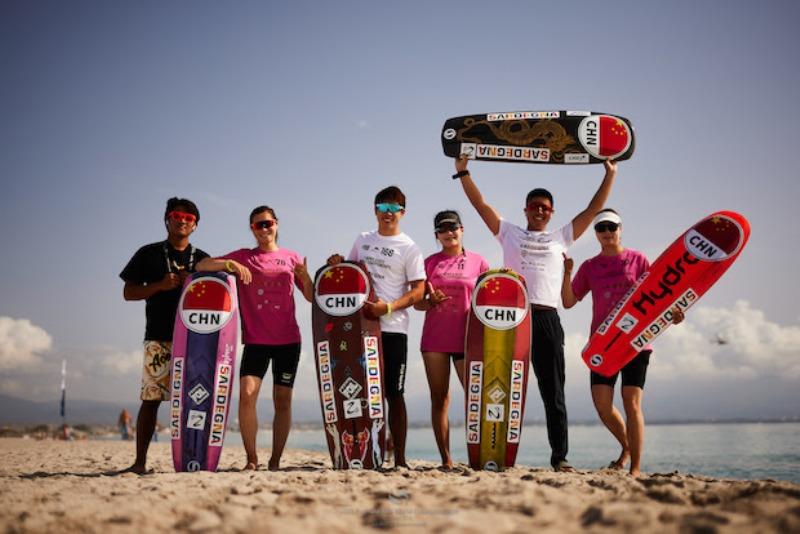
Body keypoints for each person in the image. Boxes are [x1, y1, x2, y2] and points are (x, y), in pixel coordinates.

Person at [455, 155, 617, 472]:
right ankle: (493, 452)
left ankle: (560, 457)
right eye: (534, 206)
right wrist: (463, 172)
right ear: (526, 209)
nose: (540, 211)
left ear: (551, 212)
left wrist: (609, 174)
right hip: (510, 320)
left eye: (545, 207)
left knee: (553, 392)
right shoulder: (509, 233)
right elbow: (481, 205)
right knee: (497, 387)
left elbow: (592, 210)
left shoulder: (562, 237)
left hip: (546, 319)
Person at [561, 209, 683, 477]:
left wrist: (673, 313)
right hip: (603, 344)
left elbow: (659, 294)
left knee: (632, 402)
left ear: (620, 229)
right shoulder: (590, 267)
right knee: (602, 405)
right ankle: (627, 448)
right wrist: (567, 273)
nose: (607, 233)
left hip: (637, 341)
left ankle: (636, 468)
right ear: (596, 233)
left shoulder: (638, 259)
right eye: (601, 228)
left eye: (612, 227)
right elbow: (569, 302)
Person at [196, 205, 313, 471]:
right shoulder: (244, 257)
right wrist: (230, 264)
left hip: (288, 340)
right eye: (258, 225)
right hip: (256, 340)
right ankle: (252, 458)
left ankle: (275, 460)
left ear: (277, 224)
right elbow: (202, 265)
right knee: (247, 395)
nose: (264, 229)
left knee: (282, 401)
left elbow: (310, 296)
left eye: (268, 223)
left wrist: (306, 278)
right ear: (252, 229)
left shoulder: (292, 257)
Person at [327, 186, 425, 468]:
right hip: (362, 329)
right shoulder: (362, 239)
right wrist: (337, 264)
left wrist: (389, 307)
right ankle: (369, 453)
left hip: (393, 328)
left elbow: (418, 291)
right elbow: (350, 273)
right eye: (383, 208)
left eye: (394, 209)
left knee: (394, 393)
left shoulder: (410, 247)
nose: (388, 214)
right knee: (367, 393)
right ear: (375, 210)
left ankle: (401, 460)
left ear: (403, 213)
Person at [119, 197, 209, 474]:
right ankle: (140, 463)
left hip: (197, 340)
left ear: (195, 225)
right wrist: (160, 285)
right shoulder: (149, 253)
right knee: (151, 400)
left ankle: (193, 462)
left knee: (196, 400)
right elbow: (128, 293)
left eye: (189, 218)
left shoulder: (203, 259)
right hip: (158, 336)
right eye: (177, 215)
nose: (183, 220)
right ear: (167, 219)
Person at [413, 210, 488, 468]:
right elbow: (417, 305)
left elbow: (489, 299)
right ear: (437, 235)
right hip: (435, 340)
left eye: (452, 227)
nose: (448, 233)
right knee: (440, 398)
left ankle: (480, 455)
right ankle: (446, 459)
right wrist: (429, 301)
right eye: (442, 229)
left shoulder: (479, 262)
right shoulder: (429, 263)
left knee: (477, 397)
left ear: (462, 229)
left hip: (469, 340)